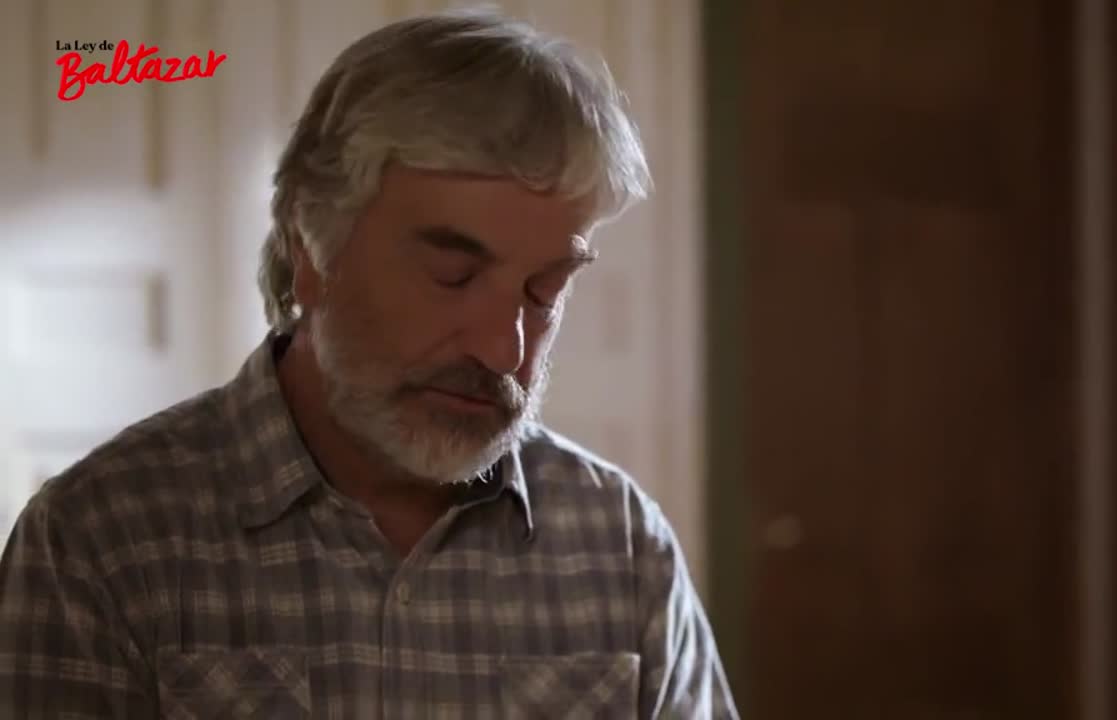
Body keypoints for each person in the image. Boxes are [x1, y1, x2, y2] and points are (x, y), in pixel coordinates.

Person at [0, 10, 737, 718]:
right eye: (452, 275)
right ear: (310, 248)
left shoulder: (621, 544)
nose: (505, 350)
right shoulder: (100, 542)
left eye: (545, 289)